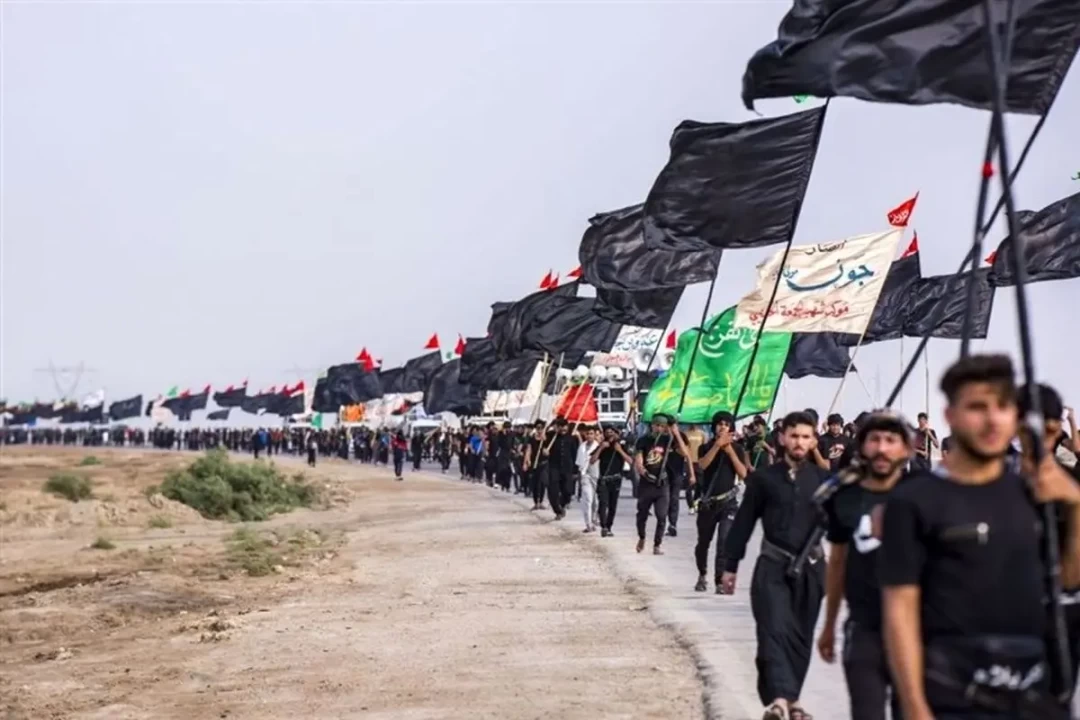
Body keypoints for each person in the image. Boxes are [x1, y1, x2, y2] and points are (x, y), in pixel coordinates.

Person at [880, 355, 1080, 720]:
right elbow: (899, 611)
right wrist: (914, 705)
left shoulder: (1037, 492)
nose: (992, 420)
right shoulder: (914, 500)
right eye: (977, 407)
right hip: (949, 690)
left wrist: (1076, 506)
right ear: (950, 415)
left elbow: (1066, 584)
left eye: (1002, 407)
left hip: (1031, 690)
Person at [722, 411, 829, 720]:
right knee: (773, 630)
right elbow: (743, 523)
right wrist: (730, 565)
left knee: (800, 637)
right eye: (794, 436)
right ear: (782, 437)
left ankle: (793, 701)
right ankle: (779, 701)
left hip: (812, 570)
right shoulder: (764, 479)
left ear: (814, 441)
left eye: (806, 437)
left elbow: (842, 525)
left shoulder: (824, 481)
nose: (799, 442)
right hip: (773, 567)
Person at [817, 411, 911, 720]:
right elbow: (837, 563)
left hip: (914, 631)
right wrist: (829, 625)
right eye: (875, 440)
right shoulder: (845, 498)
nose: (882, 448)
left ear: (906, 449)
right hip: (864, 629)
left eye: (891, 440)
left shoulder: (923, 496)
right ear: (861, 446)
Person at [693, 411, 748, 593]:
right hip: (708, 503)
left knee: (724, 541)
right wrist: (717, 446)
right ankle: (702, 574)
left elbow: (743, 474)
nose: (723, 427)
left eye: (726, 424)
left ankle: (719, 581)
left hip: (728, 502)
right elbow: (702, 465)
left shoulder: (737, 449)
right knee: (703, 543)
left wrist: (730, 451)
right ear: (714, 427)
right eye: (719, 424)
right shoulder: (705, 447)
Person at [634, 414, 693, 555]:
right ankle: (642, 537)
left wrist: (676, 433)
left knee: (661, 516)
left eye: (662, 426)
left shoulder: (668, 440)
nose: (659, 428)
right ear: (652, 425)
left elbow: (685, 453)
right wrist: (642, 470)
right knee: (642, 514)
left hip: (662, 484)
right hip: (647, 483)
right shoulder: (643, 440)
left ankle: (657, 544)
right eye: (657, 425)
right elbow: (638, 459)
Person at [594, 425, 632, 537]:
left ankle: (609, 526)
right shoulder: (602, 445)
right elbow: (592, 460)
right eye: (607, 432)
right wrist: (601, 448)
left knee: (612, 505)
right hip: (604, 479)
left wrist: (619, 450)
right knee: (603, 503)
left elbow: (630, 461)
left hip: (616, 480)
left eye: (612, 432)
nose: (610, 435)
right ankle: (604, 526)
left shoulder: (620, 445)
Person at [576, 426, 601, 533]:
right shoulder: (581, 447)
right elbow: (579, 464)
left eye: (591, 434)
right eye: (587, 434)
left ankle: (594, 519)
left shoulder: (598, 447)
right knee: (588, 500)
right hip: (585, 476)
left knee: (595, 501)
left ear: (595, 435)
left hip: (596, 476)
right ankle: (588, 524)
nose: (589, 436)